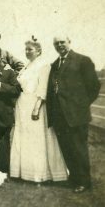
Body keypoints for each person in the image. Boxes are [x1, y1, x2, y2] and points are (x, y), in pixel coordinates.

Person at [46, 35, 100, 193]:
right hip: (60, 116)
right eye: (56, 43)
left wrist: (80, 105)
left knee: (79, 148)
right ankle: (75, 179)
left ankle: (84, 181)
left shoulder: (82, 61)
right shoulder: (55, 64)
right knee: (67, 148)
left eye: (62, 42)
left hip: (76, 115)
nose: (60, 45)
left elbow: (94, 87)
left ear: (69, 42)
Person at [10, 36, 68, 183]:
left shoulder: (43, 65)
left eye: (30, 49)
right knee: (24, 139)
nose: (27, 52)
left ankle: (39, 175)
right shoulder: (26, 66)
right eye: (26, 49)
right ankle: (24, 173)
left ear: (39, 51)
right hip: (22, 105)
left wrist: (36, 108)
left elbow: (42, 88)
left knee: (37, 140)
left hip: (35, 106)